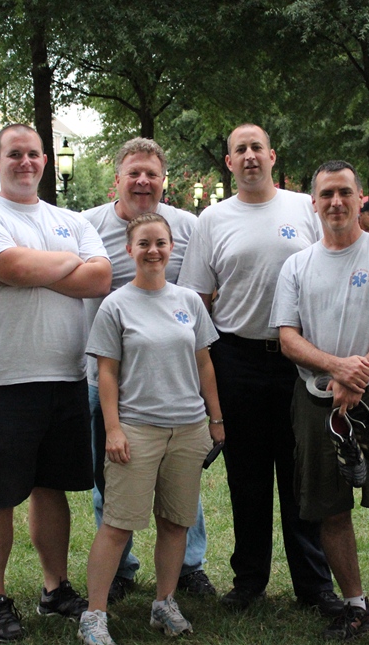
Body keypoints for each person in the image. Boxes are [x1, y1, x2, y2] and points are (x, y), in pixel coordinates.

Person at [0, 124, 111, 642]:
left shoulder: (71, 220)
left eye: (33, 154)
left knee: (52, 489)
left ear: (45, 161)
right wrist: (62, 265)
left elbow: (100, 278)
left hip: (66, 377)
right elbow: (13, 266)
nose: (25, 162)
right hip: (0, 382)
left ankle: (54, 587)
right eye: (14, 154)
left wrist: (31, 270)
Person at [178, 123, 341, 615]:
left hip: (299, 361)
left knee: (301, 474)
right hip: (238, 359)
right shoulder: (212, 220)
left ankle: (314, 584)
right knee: (246, 476)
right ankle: (249, 580)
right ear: (229, 163)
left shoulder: (303, 208)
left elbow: (330, 269)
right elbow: (196, 301)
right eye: (239, 150)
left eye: (256, 148)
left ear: (272, 156)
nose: (249, 156)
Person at [272, 160, 369, 644]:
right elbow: (288, 339)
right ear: (314, 204)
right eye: (326, 194)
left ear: (361, 199)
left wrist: (358, 374)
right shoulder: (297, 265)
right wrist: (337, 369)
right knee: (331, 510)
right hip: (317, 401)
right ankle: (355, 604)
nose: (336, 202)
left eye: (344, 192)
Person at [81, 213, 225, 645]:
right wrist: (113, 429)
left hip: (187, 428)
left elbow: (204, 363)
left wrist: (216, 419)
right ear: (129, 250)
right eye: (144, 243)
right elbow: (106, 373)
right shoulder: (116, 305)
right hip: (137, 429)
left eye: (161, 242)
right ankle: (94, 615)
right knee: (117, 525)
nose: (153, 251)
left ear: (171, 248)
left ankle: (164, 603)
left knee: (176, 522)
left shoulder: (189, 301)